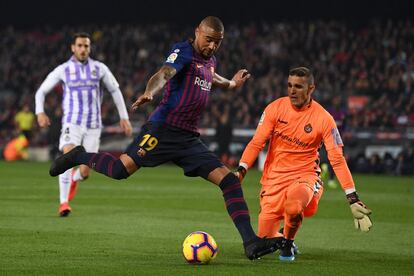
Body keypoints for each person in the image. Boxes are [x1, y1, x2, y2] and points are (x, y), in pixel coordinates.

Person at [49, 16, 281, 260]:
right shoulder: (183, 51)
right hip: (162, 130)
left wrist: (233, 84)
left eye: (218, 42)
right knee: (120, 170)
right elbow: (164, 73)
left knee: (230, 182)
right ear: (197, 33)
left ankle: (251, 243)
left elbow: (213, 77)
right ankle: (78, 155)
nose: (212, 46)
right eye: (209, 40)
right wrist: (150, 92)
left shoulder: (209, 61)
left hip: (189, 139)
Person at [235, 67, 372, 262]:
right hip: (273, 180)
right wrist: (241, 170)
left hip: (305, 176)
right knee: (264, 241)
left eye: (298, 87)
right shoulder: (275, 108)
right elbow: (257, 142)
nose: (292, 91)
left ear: (311, 89)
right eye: (290, 85)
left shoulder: (324, 119)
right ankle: (283, 238)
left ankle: (288, 245)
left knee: (293, 207)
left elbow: (337, 158)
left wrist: (352, 197)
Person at [35, 32, 132, 217]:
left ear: (90, 48)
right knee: (68, 158)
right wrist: (40, 112)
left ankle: (75, 179)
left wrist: (124, 117)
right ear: (73, 47)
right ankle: (63, 203)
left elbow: (115, 91)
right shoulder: (63, 69)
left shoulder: (99, 68)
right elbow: (41, 91)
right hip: (73, 123)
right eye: (79, 45)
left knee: (85, 172)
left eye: (86, 46)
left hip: (94, 126)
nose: (83, 49)